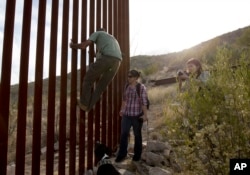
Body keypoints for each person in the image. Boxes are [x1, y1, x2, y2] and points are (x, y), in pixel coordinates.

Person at [70, 28, 122, 111]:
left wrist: (73, 45)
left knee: (88, 80)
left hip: (107, 58)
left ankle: (84, 103)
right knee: (100, 87)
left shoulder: (97, 33)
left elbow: (84, 46)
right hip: (117, 62)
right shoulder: (112, 38)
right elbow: (102, 56)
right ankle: (88, 107)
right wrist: (94, 55)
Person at [115, 70, 148, 162]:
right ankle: (122, 154)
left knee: (137, 135)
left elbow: (144, 102)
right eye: (128, 76)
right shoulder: (126, 86)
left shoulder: (141, 88)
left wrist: (145, 115)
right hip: (126, 115)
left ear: (136, 78)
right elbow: (124, 100)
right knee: (124, 134)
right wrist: (122, 110)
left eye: (130, 76)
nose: (128, 78)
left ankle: (137, 156)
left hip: (137, 116)